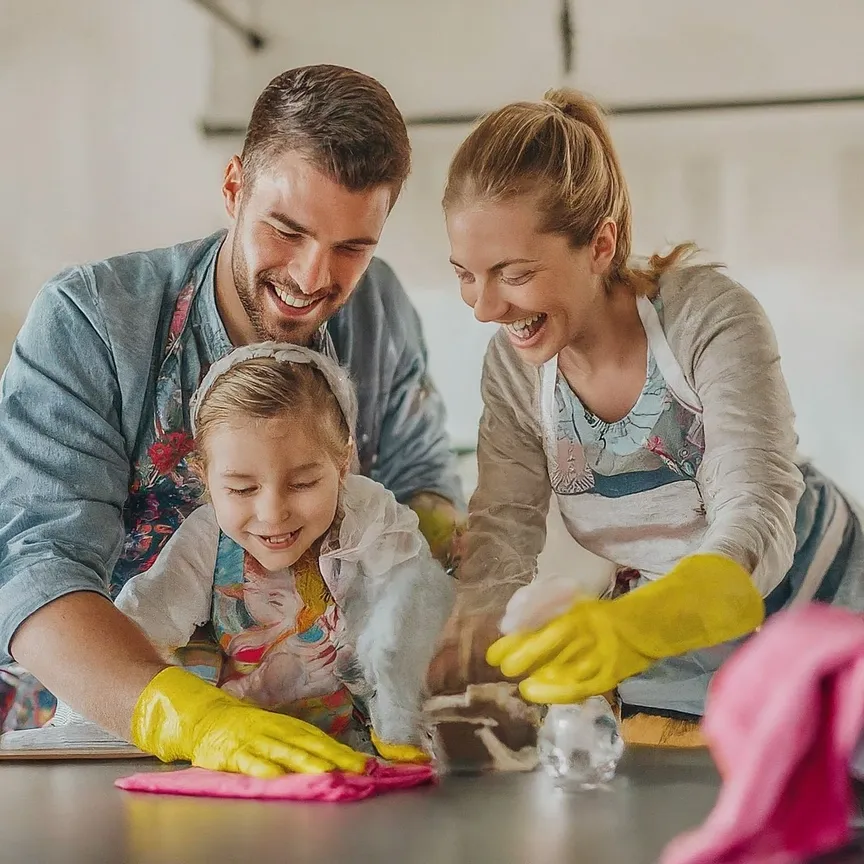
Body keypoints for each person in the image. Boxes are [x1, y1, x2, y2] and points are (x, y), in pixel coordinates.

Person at [0, 63, 463, 765]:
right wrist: (192, 720)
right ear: (232, 188)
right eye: (286, 231)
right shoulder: (91, 321)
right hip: (112, 733)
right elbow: (38, 573)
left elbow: (424, 495)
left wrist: (458, 587)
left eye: (351, 248)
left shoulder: (378, 310)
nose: (312, 278)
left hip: (323, 736)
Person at [434, 87, 864, 743]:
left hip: (818, 605)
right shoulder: (515, 369)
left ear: (600, 245)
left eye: (513, 273)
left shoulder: (706, 318)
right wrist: (473, 646)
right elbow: (503, 529)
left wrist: (634, 627)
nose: (484, 307)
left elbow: (754, 511)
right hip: (676, 636)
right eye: (465, 274)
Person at [111, 344, 453, 774]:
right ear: (204, 476)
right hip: (235, 761)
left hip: (350, 757)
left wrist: (402, 721)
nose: (273, 515)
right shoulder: (206, 539)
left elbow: (412, 613)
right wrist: (190, 720)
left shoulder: (372, 520)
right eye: (241, 489)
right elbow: (136, 632)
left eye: (304, 482)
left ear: (343, 463)